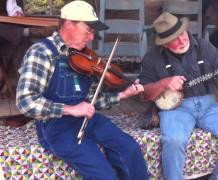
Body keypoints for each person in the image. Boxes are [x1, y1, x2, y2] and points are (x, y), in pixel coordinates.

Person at [16, 1, 149, 179]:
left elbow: (94, 100)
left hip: (89, 120)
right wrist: (70, 109)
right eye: (89, 30)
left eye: (93, 32)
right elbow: (26, 101)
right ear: (69, 24)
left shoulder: (86, 58)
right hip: (56, 127)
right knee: (104, 175)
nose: (92, 37)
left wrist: (123, 94)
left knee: (129, 149)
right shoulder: (42, 53)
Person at [139, 12, 218, 180]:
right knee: (173, 141)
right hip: (176, 110)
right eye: (174, 39)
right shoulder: (152, 57)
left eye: (182, 33)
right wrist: (164, 83)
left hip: (209, 106)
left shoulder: (204, 46)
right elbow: (143, 94)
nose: (182, 40)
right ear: (164, 43)